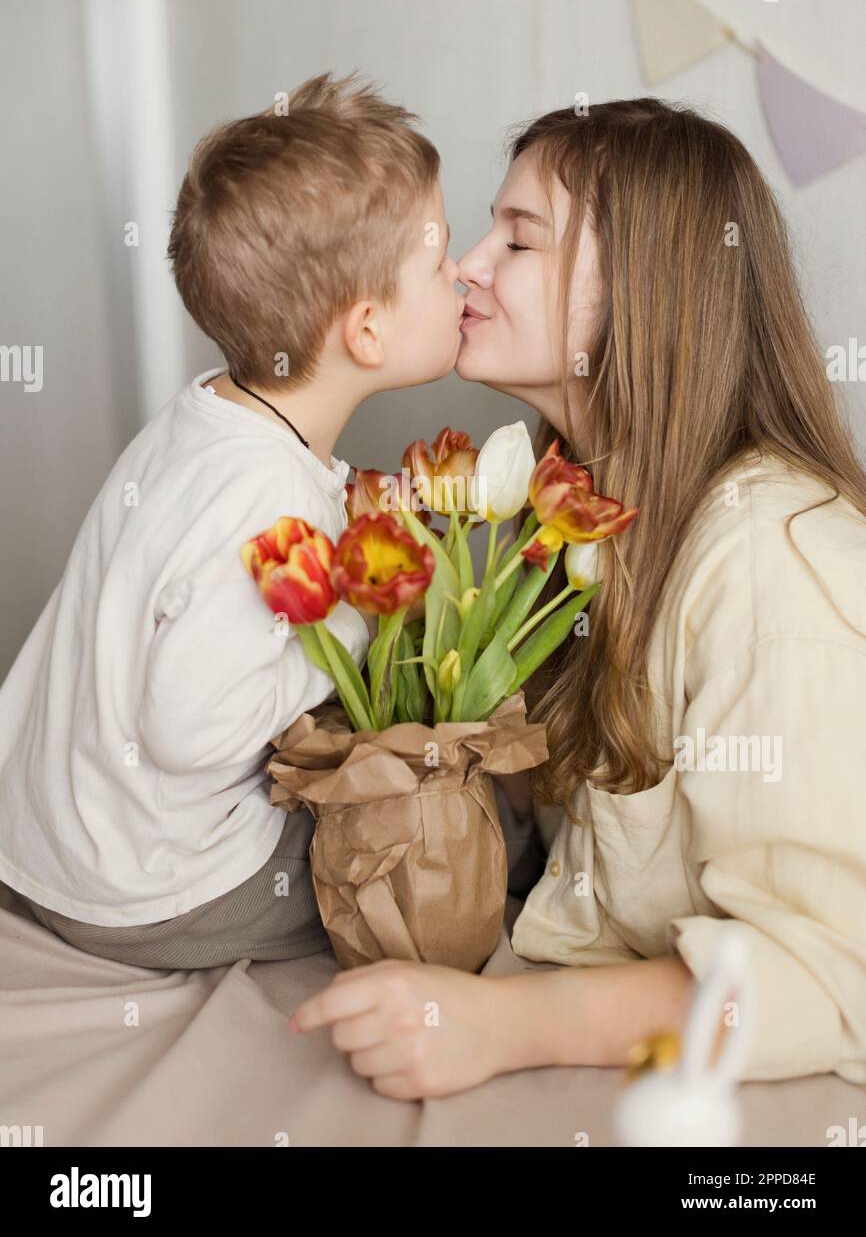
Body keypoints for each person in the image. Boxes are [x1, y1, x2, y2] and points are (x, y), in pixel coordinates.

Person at [290, 98, 866, 1096]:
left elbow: (834, 971)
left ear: (647, 283)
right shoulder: (576, 527)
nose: (466, 265)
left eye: (517, 238)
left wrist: (504, 1025)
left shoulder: (773, 557)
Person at [0, 73, 465, 969]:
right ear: (366, 331)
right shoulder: (268, 499)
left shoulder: (209, 417)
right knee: (417, 861)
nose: (462, 280)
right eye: (442, 268)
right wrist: (354, 620)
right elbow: (188, 726)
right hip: (147, 890)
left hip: (48, 837)